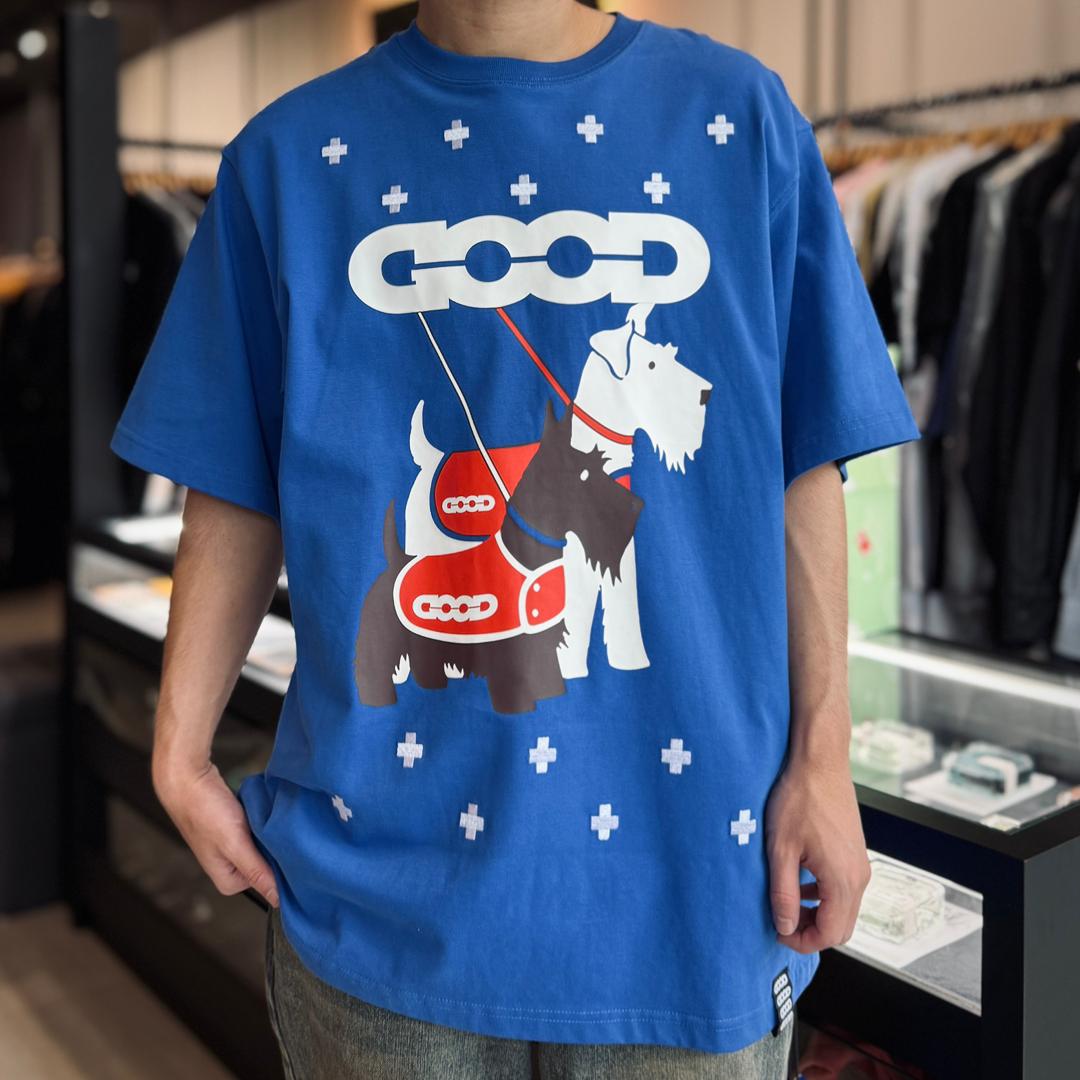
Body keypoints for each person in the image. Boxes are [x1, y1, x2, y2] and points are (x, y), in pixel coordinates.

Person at [111, 2, 920, 1077]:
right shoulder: (287, 159)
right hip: (380, 910)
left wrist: (825, 754)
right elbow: (231, 472)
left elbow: (805, 452)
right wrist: (177, 750)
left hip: (690, 888)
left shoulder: (739, 118)